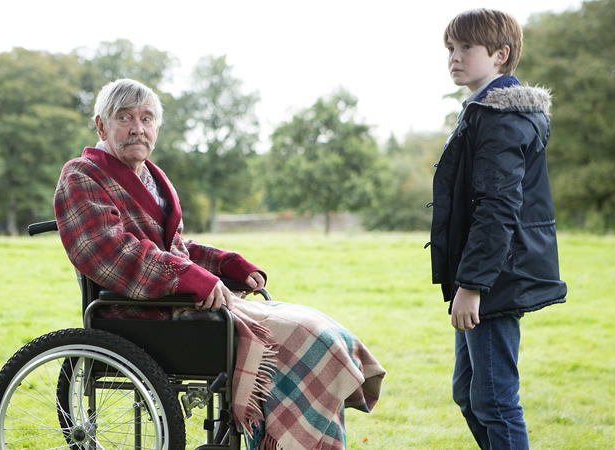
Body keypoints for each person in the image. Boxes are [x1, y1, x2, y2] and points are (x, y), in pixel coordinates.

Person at [54, 78, 385, 449]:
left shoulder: (152, 178)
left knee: (318, 328)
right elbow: (110, 252)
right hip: (142, 312)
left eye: (147, 119)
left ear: (157, 128)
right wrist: (189, 279)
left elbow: (176, 248)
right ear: (101, 125)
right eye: (125, 118)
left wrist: (227, 264)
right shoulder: (82, 175)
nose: (138, 128)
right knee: (305, 339)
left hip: (177, 303)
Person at [429, 9, 568, 449]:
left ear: (501, 54)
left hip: (496, 277)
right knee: (469, 395)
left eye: (466, 47)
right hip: (488, 273)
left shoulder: (502, 118)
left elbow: (497, 208)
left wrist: (472, 286)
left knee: (493, 399)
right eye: (451, 47)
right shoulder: (482, 111)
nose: (454, 56)